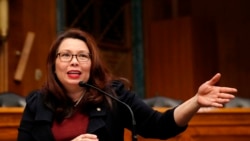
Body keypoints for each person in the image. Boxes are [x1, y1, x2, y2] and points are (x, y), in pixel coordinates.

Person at [17, 28, 237, 141]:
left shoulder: (114, 96)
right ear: (54, 64)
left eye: (82, 56)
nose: (74, 61)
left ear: (92, 64)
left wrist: (196, 101)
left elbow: (160, 126)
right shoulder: (38, 103)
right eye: (65, 55)